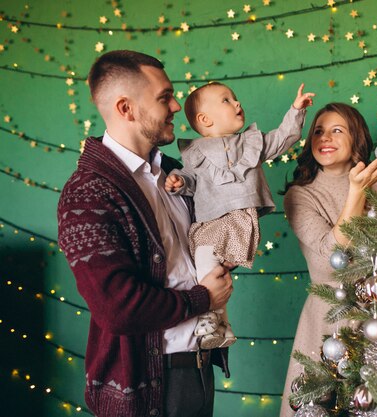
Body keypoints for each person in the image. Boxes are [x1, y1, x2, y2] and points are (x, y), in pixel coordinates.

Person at [57, 50, 234, 417]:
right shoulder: (88, 192)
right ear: (126, 108)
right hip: (146, 387)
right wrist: (201, 299)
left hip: (199, 369)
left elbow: (194, 257)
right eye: (164, 97)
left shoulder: (176, 172)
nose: (176, 105)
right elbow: (116, 308)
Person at [164, 81, 314, 349]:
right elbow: (191, 179)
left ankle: (212, 319)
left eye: (235, 98)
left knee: (212, 269)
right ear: (204, 119)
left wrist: (296, 110)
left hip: (240, 219)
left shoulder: (250, 143)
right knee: (209, 270)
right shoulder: (196, 152)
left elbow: (283, 138)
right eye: (226, 100)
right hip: (211, 221)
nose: (237, 103)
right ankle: (220, 323)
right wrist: (178, 181)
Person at [279, 99, 377, 416]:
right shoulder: (301, 194)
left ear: (356, 138)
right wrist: (355, 192)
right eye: (319, 131)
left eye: (337, 130)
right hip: (328, 319)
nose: (325, 138)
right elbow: (333, 258)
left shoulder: (373, 176)